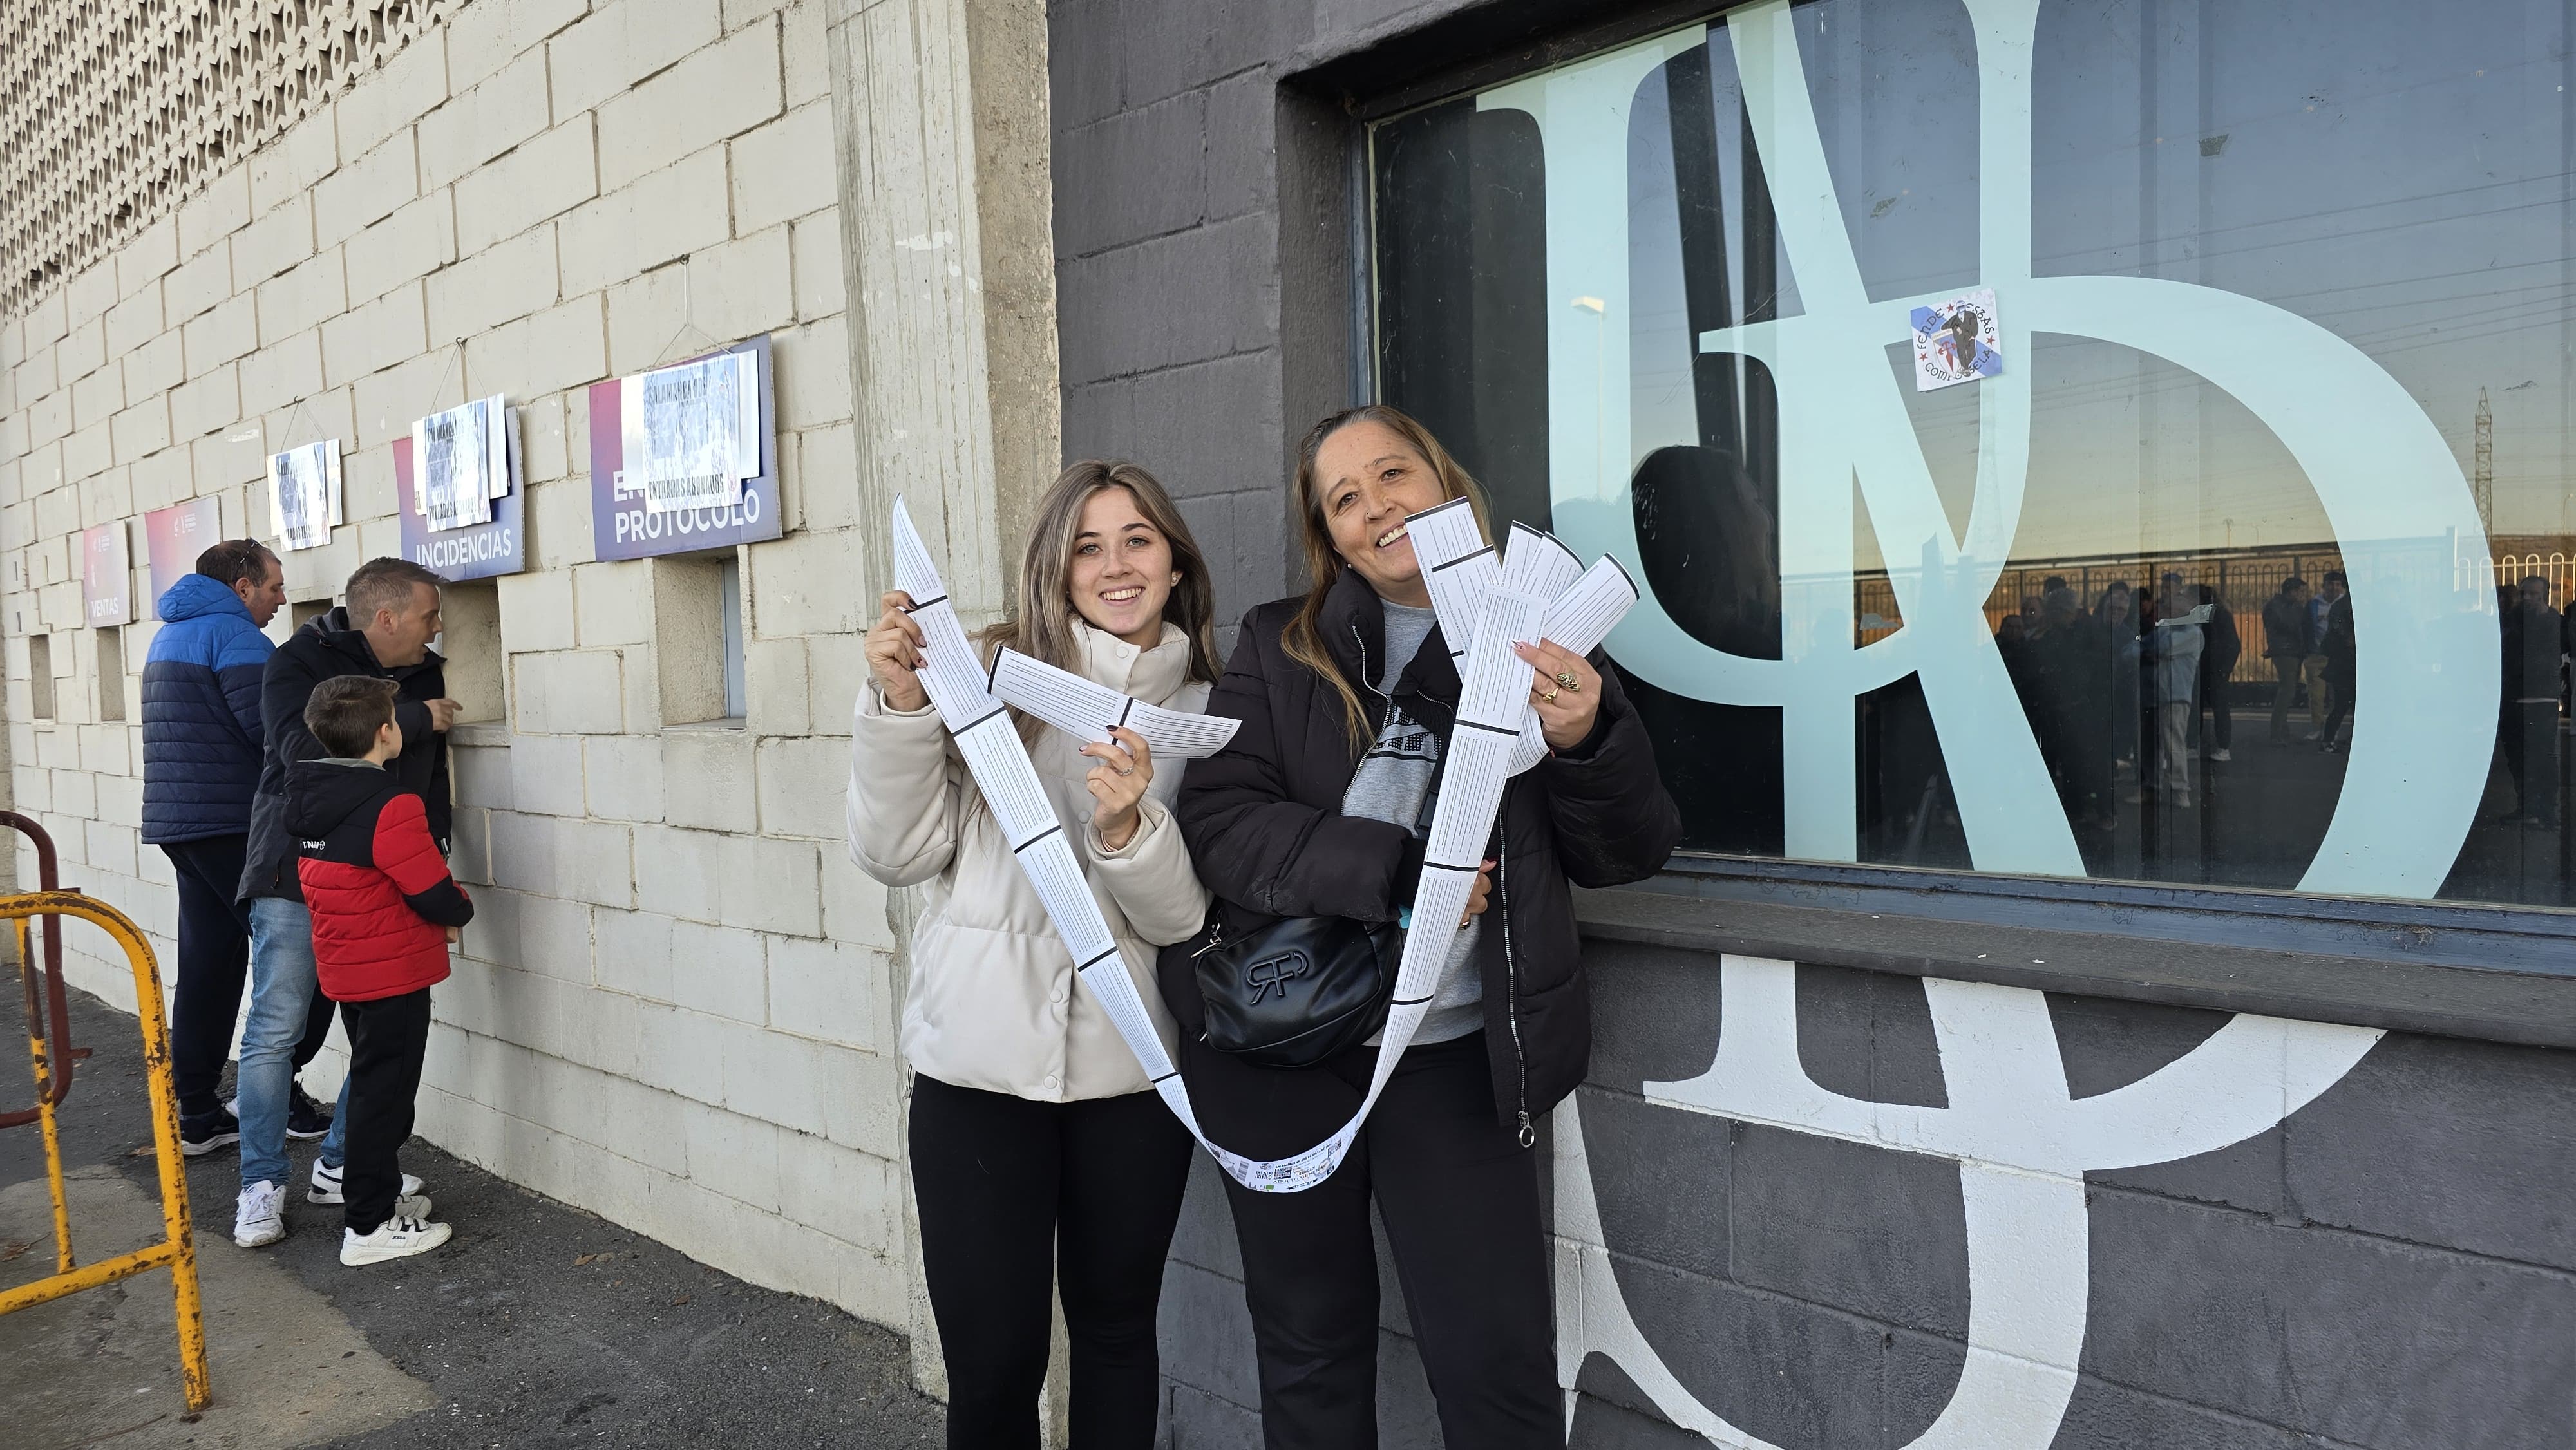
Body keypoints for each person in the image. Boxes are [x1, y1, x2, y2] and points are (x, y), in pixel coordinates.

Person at [1172, 405, 1680, 1448]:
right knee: (1309, 1361)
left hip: (1452, 1064)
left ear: (1444, 482)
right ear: (1330, 536)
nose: (1376, 506)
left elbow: (1629, 850)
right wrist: (1405, 872)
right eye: (1344, 499)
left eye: (1392, 473)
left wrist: (1585, 735)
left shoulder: (1538, 629)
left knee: (1495, 1373)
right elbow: (1221, 829)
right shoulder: (1281, 644)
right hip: (1290, 1055)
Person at [848, 462, 1218, 1449]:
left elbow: (1184, 922)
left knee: (1114, 1337)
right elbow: (896, 852)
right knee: (995, 1365)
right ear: (1057, 570)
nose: (1115, 565)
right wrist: (898, 704)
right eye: (1088, 546)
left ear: (1175, 560)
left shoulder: (1216, 715)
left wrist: (1130, 828)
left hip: (1132, 1080)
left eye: (1137, 539)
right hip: (978, 1074)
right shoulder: (986, 680)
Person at [233, 558, 460, 1249]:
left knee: (378, 1027)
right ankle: (261, 1183)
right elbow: (305, 750)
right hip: (295, 867)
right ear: (385, 618)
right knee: (277, 1026)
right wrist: (417, 717)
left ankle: (344, 1164)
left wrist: (436, 846)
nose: (438, 628)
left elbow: (424, 782)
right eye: (428, 615)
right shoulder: (297, 663)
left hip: (384, 876)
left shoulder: (422, 662)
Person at [140, 539, 336, 1154]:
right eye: (276, 586)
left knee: (209, 965)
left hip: (183, 826)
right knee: (308, 954)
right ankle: (278, 1094)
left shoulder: (172, 633)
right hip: (237, 827)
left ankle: (196, 1113)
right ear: (244, 583)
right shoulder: (239, 639)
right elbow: (276, 736)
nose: (282, 599)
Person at [287, 676, 468, 1265]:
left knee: (373, 1087)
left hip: (346, 967)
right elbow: (429, 889)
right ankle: (367, 1227)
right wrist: (459, 910)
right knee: (382, 1094)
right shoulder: (391, 804)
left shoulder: (312, 793)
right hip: (391, 972)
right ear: (386, 732)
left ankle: (380, 1198)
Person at [2499, 575, 2564, 825]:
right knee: (2517, 758)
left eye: (2535, 595)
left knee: (2543, 758)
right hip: (2515, 698)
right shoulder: (2513, 620)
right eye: (2525, 594)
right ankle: (2526, 808)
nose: (2528, 599)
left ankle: (2546, 811)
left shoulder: (2553, 621)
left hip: (2542, 699)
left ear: (2544, 596)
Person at [2139, 572, 2204, 800]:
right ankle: (2156, 786)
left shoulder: (2192, 634)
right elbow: (2133, 651)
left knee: (2173, 742)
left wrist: (2150, 650)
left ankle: (2180, 790)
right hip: (2159, 694)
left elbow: (2163, 648)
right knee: (2156, 743)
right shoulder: (2167, 631)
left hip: (2175, 696)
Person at [2262, 576, 2321, 744]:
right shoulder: (2276, 607)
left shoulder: (2291, 606)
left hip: (2292, 651)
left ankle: (2282, 730)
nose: (2303, 595)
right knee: (2287, 690)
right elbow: (2288, 625)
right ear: (2292, 591)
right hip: (2284, 651)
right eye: (2301, 591)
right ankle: (2277, 732)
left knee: (2289, 690)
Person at [2194, 583, 2240, 762]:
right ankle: (2221, 746)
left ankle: (2220, 746)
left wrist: (2223, 670)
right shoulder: (2218, 613)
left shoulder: (2214, 615)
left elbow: (2232, 645)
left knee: (2214, 709)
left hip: (2212, 669)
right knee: (2216, 709)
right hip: (2214, 669)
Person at [2318, 570, 2356, 753]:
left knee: (2341, 705)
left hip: (2343, 662)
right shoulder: (2351, 605)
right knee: (2345, 705)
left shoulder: (2340, 605)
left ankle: (2328, 740)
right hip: (2348, 661)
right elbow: (2341, 633)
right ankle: (2330, 739)